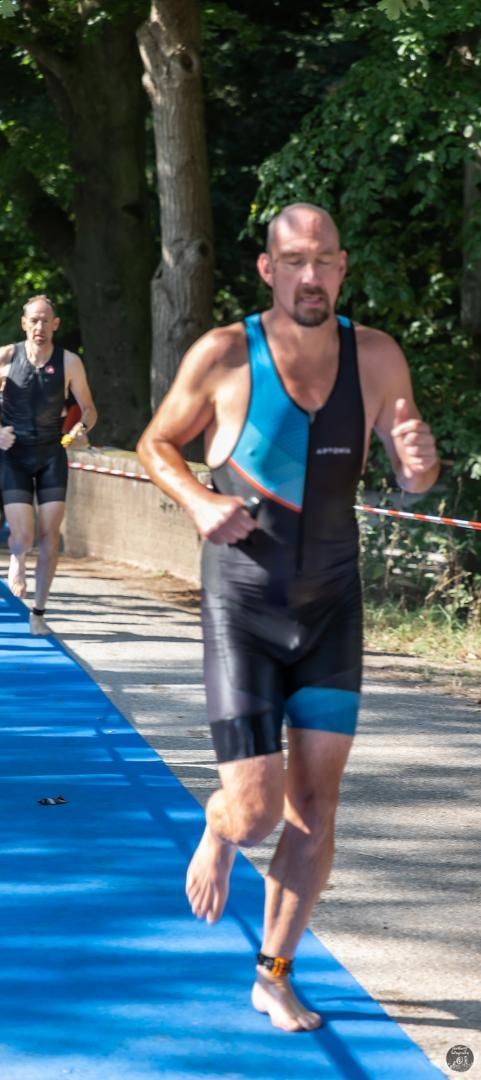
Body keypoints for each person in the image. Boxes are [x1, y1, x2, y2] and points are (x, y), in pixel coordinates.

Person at [137, 203, 440, 1032]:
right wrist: (199, 500)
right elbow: (156, 444)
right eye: (294, 262)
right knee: (258, 812)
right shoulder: (224, 354)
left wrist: (417, 466)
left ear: (342, 267)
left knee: (315, 810)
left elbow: (410, 464)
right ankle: (219, 819)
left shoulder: (375, 355)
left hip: (333, 608)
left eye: (326, 262)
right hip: (244, 611)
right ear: (268, 270)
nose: (312, 277)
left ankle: (273, 973)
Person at [0, 295, 97, 635]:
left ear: (55, 324)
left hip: (51, 454)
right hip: (14, 455)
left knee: (49, 535)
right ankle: (16, 556)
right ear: (24, 323)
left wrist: (79, 431)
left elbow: (88, 409)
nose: (40, 326)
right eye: (34, 320)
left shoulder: (69, 362)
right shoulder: (6, 357)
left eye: (46, 320)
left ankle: (38, 612)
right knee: (23, 534)